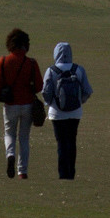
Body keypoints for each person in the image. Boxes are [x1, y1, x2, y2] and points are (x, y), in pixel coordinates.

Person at [0, 28, 43, 180]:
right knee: (24, 138)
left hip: (10, 105)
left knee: (9, 134)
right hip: (27, 105)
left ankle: (10, 154)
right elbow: (39, 86)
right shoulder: (31, 63)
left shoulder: (4, 61)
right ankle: (22, 171)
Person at [42, 42, 93, 180]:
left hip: (56, 114)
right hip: (75, 113)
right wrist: (78, 101)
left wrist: (51, 103)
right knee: (72, 141)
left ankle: (63, 174)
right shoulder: (78, 69)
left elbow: (46, 92)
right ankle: (71, 173)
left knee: (61, 144)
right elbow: (88, 90)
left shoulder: (51, 70)